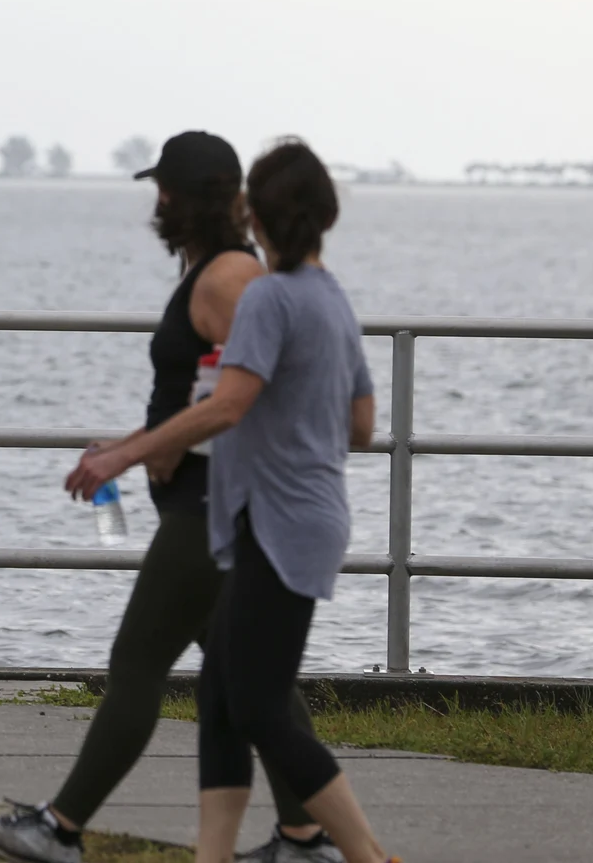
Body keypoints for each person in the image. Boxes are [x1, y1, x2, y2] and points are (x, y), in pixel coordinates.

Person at [0, 132, 342, 863]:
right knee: (248, 678)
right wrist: (131, 444)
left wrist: (143, 448)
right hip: (207, 500)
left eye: (160, 191)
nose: (155, 205)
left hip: (214, 506)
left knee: (137, 662)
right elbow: (205, 394)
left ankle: (61, 827)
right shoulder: (215, 270)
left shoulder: (228, 278)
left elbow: (253, 397)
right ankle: (306, 836)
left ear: (178, 197)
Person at [63, 140, 394, 863]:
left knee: (245, 701)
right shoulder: (327, 294)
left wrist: (133, 449)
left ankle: (361, 854)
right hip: (298, 510)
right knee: (231, 693)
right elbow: (360, 424)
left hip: (262, 513)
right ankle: (265, 847)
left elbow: (235, 399)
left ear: (254, 211)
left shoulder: (260, 291)